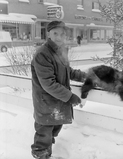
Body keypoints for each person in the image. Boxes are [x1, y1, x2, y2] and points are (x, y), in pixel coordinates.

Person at [31, 20, 86, 159]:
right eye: (55, 33)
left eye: (62, 34)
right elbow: (48, 83)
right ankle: (41, 155)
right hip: (46, 103)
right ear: (48, 34)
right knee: (43, 135)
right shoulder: (43, 54)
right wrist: (70, 96)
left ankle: (46, 153)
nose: (59, 36)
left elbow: (68, 71)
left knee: (52, 131)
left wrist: (87, 77)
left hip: (56, 102)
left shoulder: (60, 51)